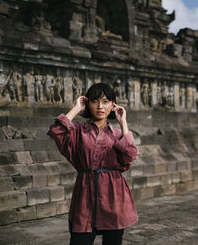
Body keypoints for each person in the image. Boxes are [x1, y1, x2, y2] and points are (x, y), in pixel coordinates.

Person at [47, 83, 139, 245]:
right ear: (88, 103)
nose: (100, 106)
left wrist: (123, 122)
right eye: (95, 101)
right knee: (79, 240)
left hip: (113, 195)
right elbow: (57, 131)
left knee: (113, 241)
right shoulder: (78, 131)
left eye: (105, 101)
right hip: (85, 194)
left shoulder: (118, 135)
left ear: (113, 105)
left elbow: (130, 155)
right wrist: (76, 108)